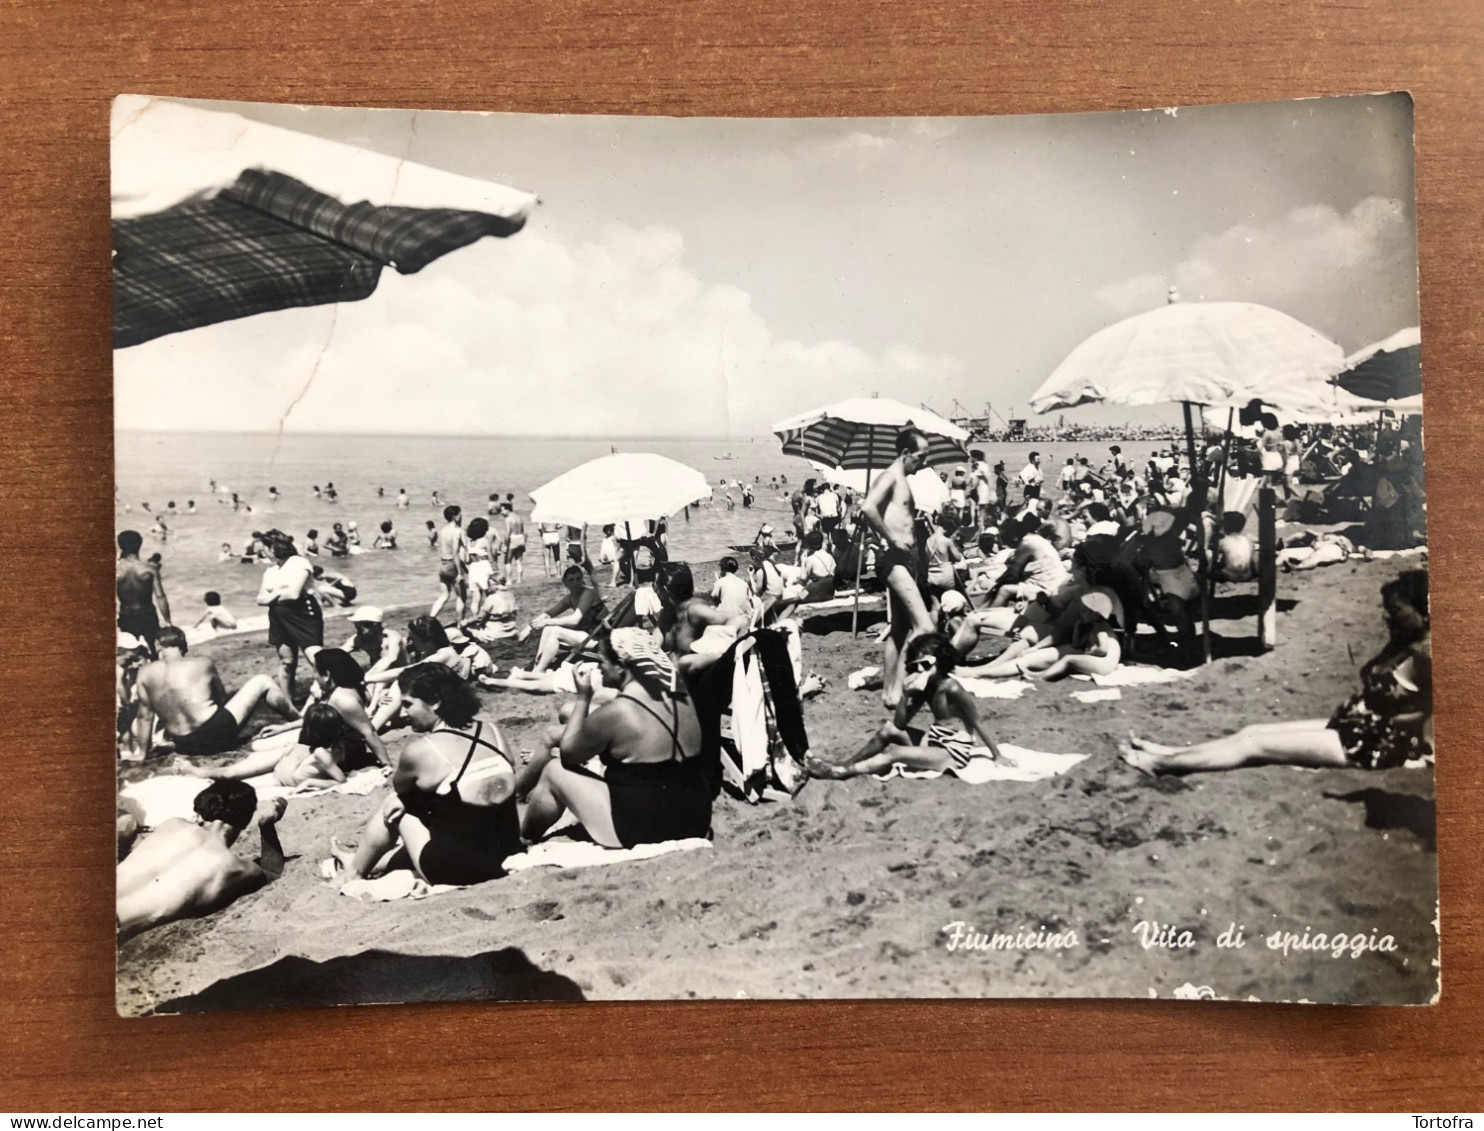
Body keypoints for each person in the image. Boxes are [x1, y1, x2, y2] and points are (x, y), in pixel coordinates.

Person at [1124, 571, 1431, 775]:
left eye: (1395, 610)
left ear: (1425, 612)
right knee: (1251, 731)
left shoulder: (1427, 660)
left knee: (1252, 745)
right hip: (1357, 726)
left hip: (1372, 745)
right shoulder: (1402, 644)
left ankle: (1163, 764)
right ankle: (1171, 753)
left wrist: (1413, 738)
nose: (1386, 616)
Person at [521, 628, 712, 849]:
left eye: (602, 662)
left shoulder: (619, 710)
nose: (599, 668)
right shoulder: (680, 693)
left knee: (554, 771)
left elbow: (569, 755)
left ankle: (524, 838)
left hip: (649, 827)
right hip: (695, 818)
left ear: (621, 666)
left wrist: (584, 697)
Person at [333, 666, 521, 885]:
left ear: (435, 702)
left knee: (394, 805)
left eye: (407, 704)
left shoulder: (422, 751)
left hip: (454, 871)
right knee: (449, 816)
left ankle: (354, 872)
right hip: (505, 854)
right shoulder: (493, 732)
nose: (403, 713)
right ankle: (361, 861)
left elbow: (402, 792)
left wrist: (409, 801)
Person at [808, 633, 1014, 779]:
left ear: (940, 661)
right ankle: (848, 763)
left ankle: (844, 772)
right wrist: (908, 694)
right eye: (916, 666)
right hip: (935, 741)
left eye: (925, 665)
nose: (919, 670)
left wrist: (997, 755)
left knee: (895, 753)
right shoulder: (925, 687)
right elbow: (899, 724)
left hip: (953, 752)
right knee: (887, 729)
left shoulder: (951, 687)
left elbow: (977, 721)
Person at [117, 781, 287, 940]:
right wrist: (267, 826)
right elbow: (272, 871)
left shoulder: (172, 824)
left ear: (198, 814)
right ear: (244, 821)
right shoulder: (236, 868)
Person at [130, 626, 300, 758]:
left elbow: (144, 717)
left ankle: (300, 722)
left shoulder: (144, 672)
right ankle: (300, 722)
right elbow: (221, 700)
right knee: (263, 681)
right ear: (184, 645)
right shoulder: (202, 663)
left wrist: (143, 754)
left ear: (158, 645)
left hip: (183, 744)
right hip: (214, 733)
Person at [860, 427, 937, 708]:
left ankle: (890, 693)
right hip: (893, 562)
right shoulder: (890, 477)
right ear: (906, 454)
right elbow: (867, 508)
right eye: (921, 457)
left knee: (900, 630)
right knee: (925, 626)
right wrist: (890, 540)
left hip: (904, 561)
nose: (924, 462)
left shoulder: (902, 479)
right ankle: (904, 685)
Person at [173, 702, 351, 787]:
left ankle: (199, 774)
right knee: (232, 774)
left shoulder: (322, 753)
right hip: (285, 760)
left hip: (279, 778)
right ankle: (198, 772)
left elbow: (340, 780)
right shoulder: (331, 745)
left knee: (234, 783)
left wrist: (311, 782)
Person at [257, 533, 324, 701]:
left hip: (303, 614)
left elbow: (294, 594)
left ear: (273, 548)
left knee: (316, 658)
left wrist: (273, 594)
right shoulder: (271, 570)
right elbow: (260, 599)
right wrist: (280, 592)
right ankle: (289, 703)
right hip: (278, 618)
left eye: (264, 549)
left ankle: (336, 693)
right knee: (286, 662)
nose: (263, 553)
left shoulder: (299, 562)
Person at [520, 565, 608, 674]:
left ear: (582, 580)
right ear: (565, 583)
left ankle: (539, 670)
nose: (575, 583)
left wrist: (546, 622)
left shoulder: (587, 594)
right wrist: (528, 627)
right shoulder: (570, 599)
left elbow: (574, 620)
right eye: (571, 580)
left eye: (578, 579)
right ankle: (537, 665)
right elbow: (550, 613)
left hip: (600, 640)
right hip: (588, 635)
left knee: (555, 631)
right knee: (548, 629)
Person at [117, 530, 171, 655]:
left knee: (129, 650)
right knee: (154, 648)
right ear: (140, 545)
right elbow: (160, 597)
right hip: (147, 613)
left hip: (126, 614)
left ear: (120, 546)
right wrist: (168, 621)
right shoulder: (149, 569)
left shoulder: (116, 570)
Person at [429, 505, 466, 621]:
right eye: (460, 514)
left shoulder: (442, 531)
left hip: (443, 565)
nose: (462, 516)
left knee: (444, 595)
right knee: (461, 597)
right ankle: (461, 625)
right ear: (455, 516)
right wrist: (460, 572)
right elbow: (456, 553)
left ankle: (430, 619)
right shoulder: (458, 531)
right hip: (453, 565)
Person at [502, 503, 528, 584]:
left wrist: (505, 545)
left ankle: (509, 580)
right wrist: (525, 542)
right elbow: (524, 532)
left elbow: (507, 533)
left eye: (502, 510)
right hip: (521, 538)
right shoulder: (519, 518)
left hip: (513, 539)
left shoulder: (508, 519)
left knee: (507, 561)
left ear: (507, 510)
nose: (501, 512)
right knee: (518, 561)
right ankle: (519, 580)